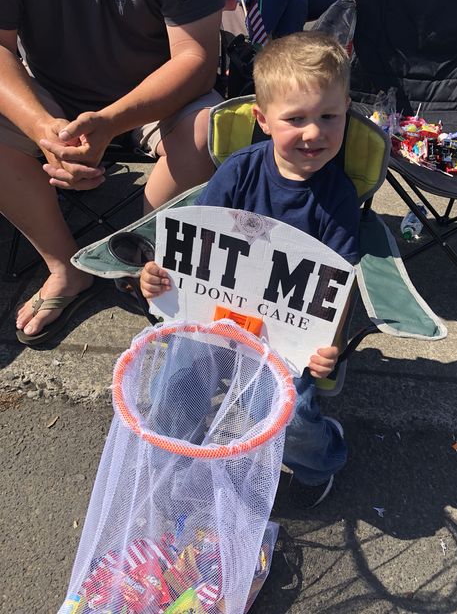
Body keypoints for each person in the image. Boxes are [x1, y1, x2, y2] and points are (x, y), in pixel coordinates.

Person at [140, 30, 359, 509]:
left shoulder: (337, 198)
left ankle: (321, 458)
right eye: (295, 119)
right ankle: (181, 454)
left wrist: (331, 345)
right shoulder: (238, 172)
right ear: (262, 120)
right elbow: (193, 249)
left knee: (291, 416)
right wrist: (158, 280)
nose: (314, 133)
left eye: (329, 117)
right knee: (172, 388)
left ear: (346, 112)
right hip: (216, 321)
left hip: (284, 337)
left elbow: (333, 287)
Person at [0, 0, 225, 345]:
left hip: (157, 95)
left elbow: (196, 60)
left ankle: (145, 259)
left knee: (208, 131)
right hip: (51, 97)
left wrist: (109, 123)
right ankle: (64, 265)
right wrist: (44, 129)